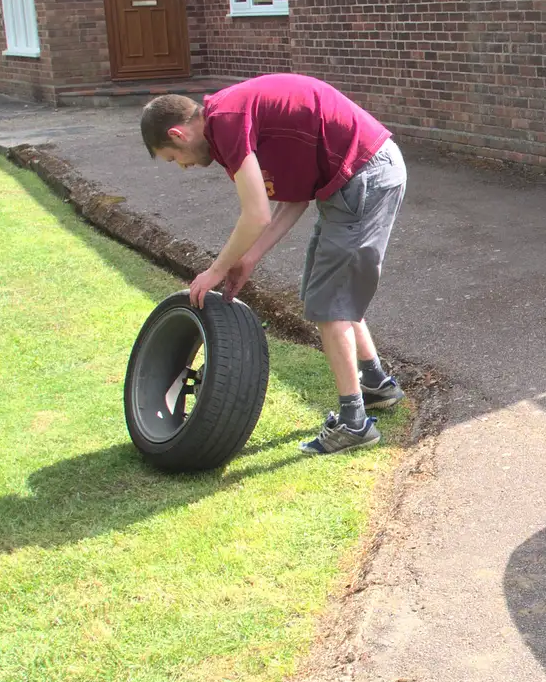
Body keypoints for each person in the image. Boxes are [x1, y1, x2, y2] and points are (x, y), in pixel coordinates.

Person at [138, 74, 407, 455]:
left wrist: (215, 271)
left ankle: (355, 423)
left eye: (173, 158)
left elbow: (256, 215)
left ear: (178, 134)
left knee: (330, 304)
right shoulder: (229, 119)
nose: (182, 166)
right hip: (354, 177)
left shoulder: (227, 121)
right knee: (327, 291)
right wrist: (248, 258)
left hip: (365, 174)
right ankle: (376, 384)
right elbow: (292, 201)